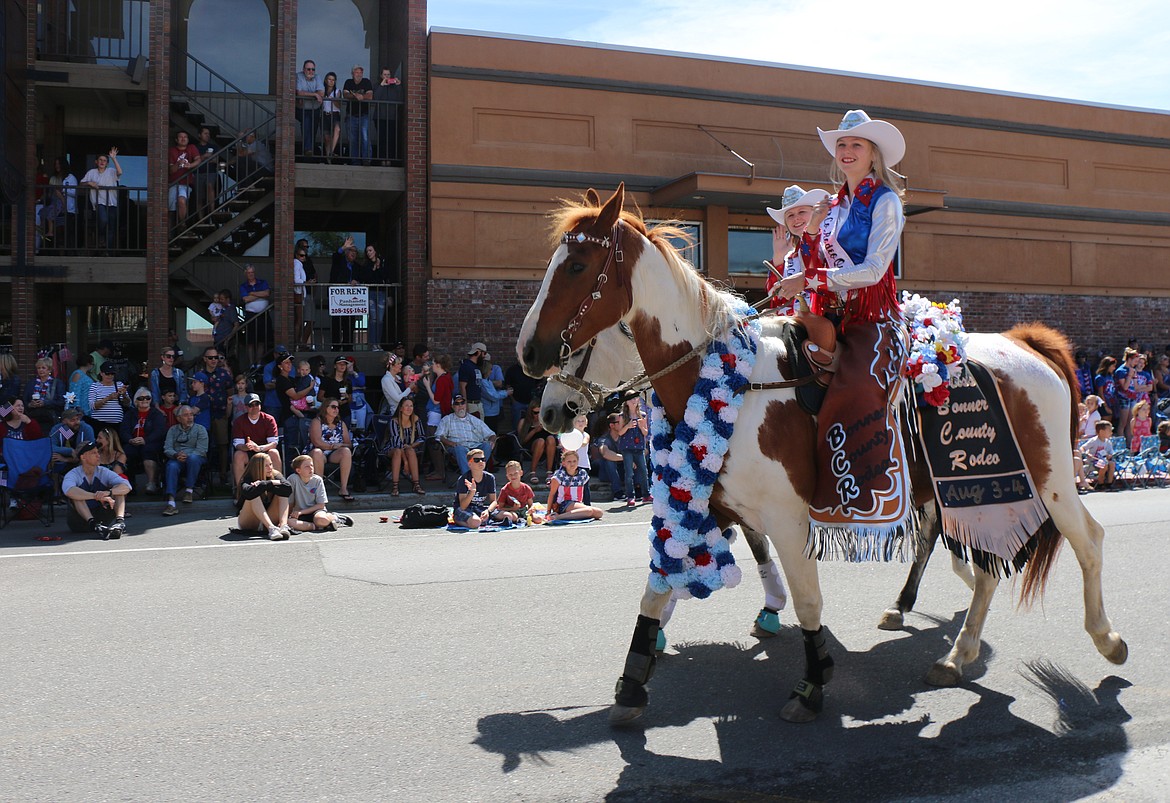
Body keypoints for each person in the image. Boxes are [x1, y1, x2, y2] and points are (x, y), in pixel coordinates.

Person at [775, 109, 914, 541]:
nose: (847, 151)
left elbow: (874, 269)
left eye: (856, 144)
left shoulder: (886, 201)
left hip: (872, 316)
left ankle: (861, 487)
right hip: (832, 313)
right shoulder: (832, 207)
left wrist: (810, 277)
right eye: (842, 145)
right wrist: (808, 241)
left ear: (874, 155)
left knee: (854, 388)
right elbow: (815, 262)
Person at [765, 185, 832, 314]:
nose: (796, 218)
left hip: (825, 317)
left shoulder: (831, 244)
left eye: (802, 212)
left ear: (816, 213)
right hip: (793, 323)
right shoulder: (789, 256)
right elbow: (776, 298)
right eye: (790, 215)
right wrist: (778, 258)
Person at [62, 441, 130, 538]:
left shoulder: (103, 471)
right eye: (94, 453)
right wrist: (96, 496)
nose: (98, 455)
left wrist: (108, 492)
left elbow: (126, 486)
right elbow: (69, 491)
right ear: (83, 457)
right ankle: (94, 525)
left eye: (98, 452)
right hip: (79, 522)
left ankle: (120, 523)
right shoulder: (73, 474)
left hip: (103, 516)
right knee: (76, 495)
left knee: (118, 489)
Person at [161, 405, 209, 516]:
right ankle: (171, 502)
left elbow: (202, 450)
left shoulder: (200, 429)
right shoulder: (172, 430)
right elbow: (167, 448)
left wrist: (187, 455)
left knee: (193, 459)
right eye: (186, 415)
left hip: (195, 457)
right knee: (171, 466)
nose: (190, 417)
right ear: (178, 418)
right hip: (177, 457)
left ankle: (189, 490)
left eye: (191, 414)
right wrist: (175, 454)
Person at [287, 454, 353, 532]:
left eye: (312, 465)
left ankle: (335, 518)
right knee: (289, 522)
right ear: (298, 470)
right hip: (298, 512)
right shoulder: (292, 479)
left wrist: (301, 512)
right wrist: (289, 515)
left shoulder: (317, 480)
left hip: (315, 511)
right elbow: (290, 502)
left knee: (321, 520)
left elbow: (321, 505)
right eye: (307, 467)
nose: (311, 468)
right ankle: (317, 527)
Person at [236, 452, 292, 540]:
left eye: (271, 464)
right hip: (250, 521)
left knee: (283, 494)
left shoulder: (275, 475)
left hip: (270, 516)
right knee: (254, 494)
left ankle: (283, 526)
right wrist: (270, 485)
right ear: (257, 467)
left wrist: (265, 483)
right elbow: (248, 493)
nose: (270, 468)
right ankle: (271, 528)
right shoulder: (248, 478)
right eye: (266, 466)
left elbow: (288, 488)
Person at [120, 388, 167, 492]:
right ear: (136, 401)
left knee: (148, 450)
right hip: (133, 442)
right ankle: (129, 483)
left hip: (150, 442)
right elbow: (124, 430)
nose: (144, 400)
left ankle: (151, 483)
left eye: (147, 398)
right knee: (127, 451)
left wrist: (146, 439)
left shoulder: (156, 414)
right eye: (141, 398)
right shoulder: (130, 414)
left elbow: (159, 431)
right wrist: (130, 440)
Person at [436, 394, 496, 476]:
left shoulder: (474, 419)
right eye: (457, 404)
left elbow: (491, 434)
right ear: (452, 406)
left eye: (462, 403)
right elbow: (439, 436)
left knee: (487, 445)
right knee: (460, 449)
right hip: (458, 447)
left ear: (466, 404)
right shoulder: (447, 419)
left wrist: (492, 441)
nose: (460, 406)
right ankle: (468, 478)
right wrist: (451, 443)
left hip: (475, 447)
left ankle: (477, 474)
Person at [307, 397, 355, 501]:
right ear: (325, 408)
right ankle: (319, 489)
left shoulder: (341, 424)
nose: (336, 409)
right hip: (318, 452)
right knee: (317, 452)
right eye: (333, 407)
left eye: (338, 407)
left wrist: (340, 445)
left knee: (346, 452)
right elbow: (316, 442)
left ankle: (343, 488)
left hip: (334, 453)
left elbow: (349, 444)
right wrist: (331, 446)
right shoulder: (317, 421)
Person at [232, 393, 282, 487]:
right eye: (251, 405)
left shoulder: (269, 419)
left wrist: (259, 448)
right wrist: (247, 447)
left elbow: (273, 443)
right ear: (246, 407)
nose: (254, 407)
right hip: (248, 452)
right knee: (238, 455)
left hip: (264, 451)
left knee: (274, 452)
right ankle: (240, 490)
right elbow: (238, 444)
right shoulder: (239, 421)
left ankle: (278, 487)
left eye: (257, 404)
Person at [545, 448, 604, 523]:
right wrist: (548, 511)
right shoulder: (559, 474)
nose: (572, 464)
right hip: (563, 503)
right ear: (563, 463)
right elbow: (552, 494)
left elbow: (585, 490)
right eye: (569, 461)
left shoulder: (582, 473)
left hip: (577, 503)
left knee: (599, 513)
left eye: (574, 461)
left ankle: (574, 514)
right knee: (589, 511)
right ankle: (557, 517)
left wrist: (586, 504)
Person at [80, 148, 122, 253]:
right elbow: (81, 183)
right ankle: (101, 236)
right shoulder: (91, 172)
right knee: (103, 220)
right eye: (100, 160)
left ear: (107, 163)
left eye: (104, 160)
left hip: (112, 202)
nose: (102, 162)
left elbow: (120, 172)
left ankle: (108, 251)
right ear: (96, 162)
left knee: (111, 228)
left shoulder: (111, 171)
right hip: (99, 202)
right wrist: (89, 183)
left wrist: (113, 158)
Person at [386, 396, 425, 496]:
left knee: (411, 451)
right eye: (406, 406)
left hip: (409, 448)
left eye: (411, 406)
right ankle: (395, 486)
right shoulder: (394, 421)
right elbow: (397, 443)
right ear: (401, 408)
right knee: (398, 452)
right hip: (393, 448)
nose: (409, 408)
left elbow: (422, 437)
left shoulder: (415, 419)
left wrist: (412, 445)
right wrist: (406, 462)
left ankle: (416, 484)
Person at [616, 396, 650, 507]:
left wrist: (641, 427)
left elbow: (645, 433)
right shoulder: (622, 416)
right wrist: (628, 426)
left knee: (643, 471)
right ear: (626, 402)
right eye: (631, 399)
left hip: (639, 447)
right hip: (627, 448)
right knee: (629, 473)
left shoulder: (643, 415)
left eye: (636, 398)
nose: (634, 401)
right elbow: (620, 432)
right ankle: (630, 496)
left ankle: (646, 495)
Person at [452, 448, 496, 529]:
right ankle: (458, 520)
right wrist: (472, 492)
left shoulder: (490, 478)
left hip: (479, 507)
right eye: (476, 460)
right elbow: (463, 506)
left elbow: (493, 501)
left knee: (509, 516)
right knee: (476, 522)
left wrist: (488, 511)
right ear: (469, 464)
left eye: (483, 459)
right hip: (464, 508)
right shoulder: (463, 479)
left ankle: (477, 522)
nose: (481, 462)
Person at [330, 238, 361, 348]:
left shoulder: (357, 266)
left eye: (355, 252)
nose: (353, 253)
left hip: (351, 300)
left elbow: (363, 278)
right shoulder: (340, 261)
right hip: (338, 299)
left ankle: (348, 346)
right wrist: (343, 247)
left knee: (349, 323)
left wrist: (356, 281)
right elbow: (335, 256)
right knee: (337, 323)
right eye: (351, 251)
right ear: (346, 252)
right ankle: (336, 346)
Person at [517, 401, 556, 486]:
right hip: (531, 445)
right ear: (530, 412)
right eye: (535, 413)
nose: (537, 415)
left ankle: (549, 472)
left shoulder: (547, 421)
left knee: (551, 439)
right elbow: (522, 440)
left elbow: (556, 433)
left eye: (540, 412)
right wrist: (535, 430)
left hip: (548, 446)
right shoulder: (524, 422)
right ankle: (533, 472)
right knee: (540, 441)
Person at [361, 244, 391, 351]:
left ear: (375, 251)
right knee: (373, 319)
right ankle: (373, 343)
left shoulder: (383, 262)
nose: (369, 253)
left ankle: (378, 343)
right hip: (371, 293)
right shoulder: (366, 264)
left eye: (370, 250)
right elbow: (367, 278)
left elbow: (385, 276)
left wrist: (378, 267)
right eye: (367, 251)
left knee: (380, 319)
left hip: (381, 293)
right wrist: (373, 268)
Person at [239, 264, 271, 365]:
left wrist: (252, 293)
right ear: (245, 274)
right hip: (250, 315)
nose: (251, 274)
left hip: (263, 315)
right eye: (248, 273)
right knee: (250, 341)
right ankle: (252, 364)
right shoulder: (243, 286)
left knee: (262, 340)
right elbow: (245, 299)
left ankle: (259, 363)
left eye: (252, 272)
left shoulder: (262, 282)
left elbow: (267, 294)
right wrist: (260, 294)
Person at [168, 130, 201, 224]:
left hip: (185, 183)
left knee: (182, 201)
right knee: (171, 211)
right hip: (173, 183)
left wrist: (190, 165)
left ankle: (182, 225)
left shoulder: (191, 148)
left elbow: (198, 159)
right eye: (180, 137)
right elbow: (171, 170)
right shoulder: (172, 151)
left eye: (185, 137)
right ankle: (170, 232)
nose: (183, 139)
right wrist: (178, 163)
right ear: (176, 140)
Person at [342, 65, 373, 165]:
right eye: (356, 72)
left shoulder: (366, 82)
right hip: (351, 115)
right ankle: (355, 161)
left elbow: (370, 96)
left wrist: (362, 96)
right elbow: (345, 94)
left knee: (365, 137)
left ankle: (366, 159)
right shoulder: (348, 82)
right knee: (352, 139)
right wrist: (356, 96)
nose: (359, 74)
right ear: (352, 74)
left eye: (360, 72)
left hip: (364, 115)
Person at [486, 460, 534, 525]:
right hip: (510, 510)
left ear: (521, 473)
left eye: (515, 473)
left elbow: (530, 504)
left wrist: (531, 510)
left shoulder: (526, 488)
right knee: (514, 517)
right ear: (507, 476)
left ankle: (520, 519)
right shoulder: (505, 490)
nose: (513, 476)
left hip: (523, 510)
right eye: (510, 474)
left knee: (537, 519)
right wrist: (512, 508)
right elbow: (500, 507)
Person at [23, 357, 66, 427]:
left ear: (49, 369)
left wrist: (45, 403)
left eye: (43, 368)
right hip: (34, 416)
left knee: (60, 434)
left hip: (51, 418)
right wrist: (30, 404)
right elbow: (25, 400)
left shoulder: (58, 383)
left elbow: (61, 402)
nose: (41, 370)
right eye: (38, 368)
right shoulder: (31, 383)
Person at [49, 408, 95, 474]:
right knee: (52, 457)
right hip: (62, 461)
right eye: (72, 420)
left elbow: (91, 448)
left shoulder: (86, 428)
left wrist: (68, 459)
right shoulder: (58, 429)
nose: (76, 422)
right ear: (64, 421)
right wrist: (70, 451)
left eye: (77, 419)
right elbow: (50, 446)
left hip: (81, 461)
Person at [372, 67, 402, 162]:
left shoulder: (394, 87)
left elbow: (401, 98)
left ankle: (390, 160)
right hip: (380, 117)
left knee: (391, 139)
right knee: (382, 139)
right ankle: (381, 159)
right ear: (381, 75)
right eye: (385, 74)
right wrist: (382, 85)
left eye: (388, 74)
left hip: (392, 117)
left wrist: (398, 86)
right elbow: (375, 98)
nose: (387, 76)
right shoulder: (377, 85)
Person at [296, 59, 324, 159]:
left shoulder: (317, 77)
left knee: (313, 128)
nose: (311, 71)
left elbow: (322, 93)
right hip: (301, 108)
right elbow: (299, 92)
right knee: (306, 122)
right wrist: (314, 94)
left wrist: (311, 94)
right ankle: (307, 149)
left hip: (315, 108)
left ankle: (310, 151)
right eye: (308, 69)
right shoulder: (298, 76)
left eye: (313, 69)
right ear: (304, 69)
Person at [87, 362, 128, 431]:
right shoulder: (95, 386)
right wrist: (108, 398)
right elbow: (92, 406)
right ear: (101, 373)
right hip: (98, 423)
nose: (110, 376)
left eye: (112, 374)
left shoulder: (120, 385)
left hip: (116, 423)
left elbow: (128, 404)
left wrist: (124, 395)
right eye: (107, 373)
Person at [595, 412, 626, 499]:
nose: (623, 424)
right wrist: (625, 458)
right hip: (607, 474)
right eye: (619, 422)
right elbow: (605, 453)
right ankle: (617, 492)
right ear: (612, 425)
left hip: (622, 470)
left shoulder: (625, 437)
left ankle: (639, 489)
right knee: (609, 460)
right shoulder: (604, 439)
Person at [478, 354, 511, 433]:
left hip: (493, 411)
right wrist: (506, 393)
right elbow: (493, 396)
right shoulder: (483, 382)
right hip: (488, 413)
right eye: (490, 369)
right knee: (490, 434)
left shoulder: (487, 380)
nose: (491, 371)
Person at [320, 356, 355, 425]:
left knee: (345, 433)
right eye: (340, 364)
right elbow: (320, 397)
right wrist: (333, 403)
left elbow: (350, 399)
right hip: (330, 413)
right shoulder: (327, 380)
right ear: (335, 366)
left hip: (345, 413)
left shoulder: (348, 381)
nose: (342, 366)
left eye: (344, 364)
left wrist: (346, 397)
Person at [194, 126, 220, 216]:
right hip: (198, 173)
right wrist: (204, 156)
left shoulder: (214, 147)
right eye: (205, 133)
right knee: (199, 197)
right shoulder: (194, 148)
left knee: (209, 186)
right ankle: (201, 220)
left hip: (211, 171)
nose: (208, 135)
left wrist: (212, 159)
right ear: (199, 135)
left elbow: (216, 160)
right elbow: (193, 162)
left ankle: (212, 211)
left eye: (208, 134)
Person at [1084, 420, 1117, 490]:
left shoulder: (1108, 442)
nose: (1111, 432)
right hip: (1093, 461)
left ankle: (1109, 483)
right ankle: (1100, 483)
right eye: (1109, 430)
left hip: (1104, 460)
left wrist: (1110, 455)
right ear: (1101, 431)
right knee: (1103, 465)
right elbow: (1083, 448)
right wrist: (1087, 453)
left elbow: (1111, 452)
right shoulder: (1094, 441)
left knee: (1112, 463)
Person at [459, 343, 486, 418]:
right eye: (484, 353)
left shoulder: (476, 367)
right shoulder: (466, 366)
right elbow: (462, 386)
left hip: (478, 403)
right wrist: (465, 404)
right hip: (470, 404)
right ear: (478, 352)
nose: (484, 356)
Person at [321, 71, 343, 162]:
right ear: (326, 80)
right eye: (329, 79)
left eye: (333, 80)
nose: (331, 81)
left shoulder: (337, 91)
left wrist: (333, 99)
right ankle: (328, 160)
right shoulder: (322, 91)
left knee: (337, 129)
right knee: (327, 139)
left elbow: (339, 105)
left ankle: (331, 152)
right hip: (325, 114)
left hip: (334, 114)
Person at [212, 289, 238, 357]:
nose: (220, 301)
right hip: (218, 339)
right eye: (219, 299)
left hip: (224, 340)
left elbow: (236, 325)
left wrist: (228, 338)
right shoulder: (221, 308)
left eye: (222, 299)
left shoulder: (231, 309)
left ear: (228, 299)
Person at [68, 353, 96, 417]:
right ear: (88, 363)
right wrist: (76, 407)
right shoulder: (77, 374)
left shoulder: (82, 374)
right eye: (92, 364)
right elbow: (73, 392)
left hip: (86, 409)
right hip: (80, 410)